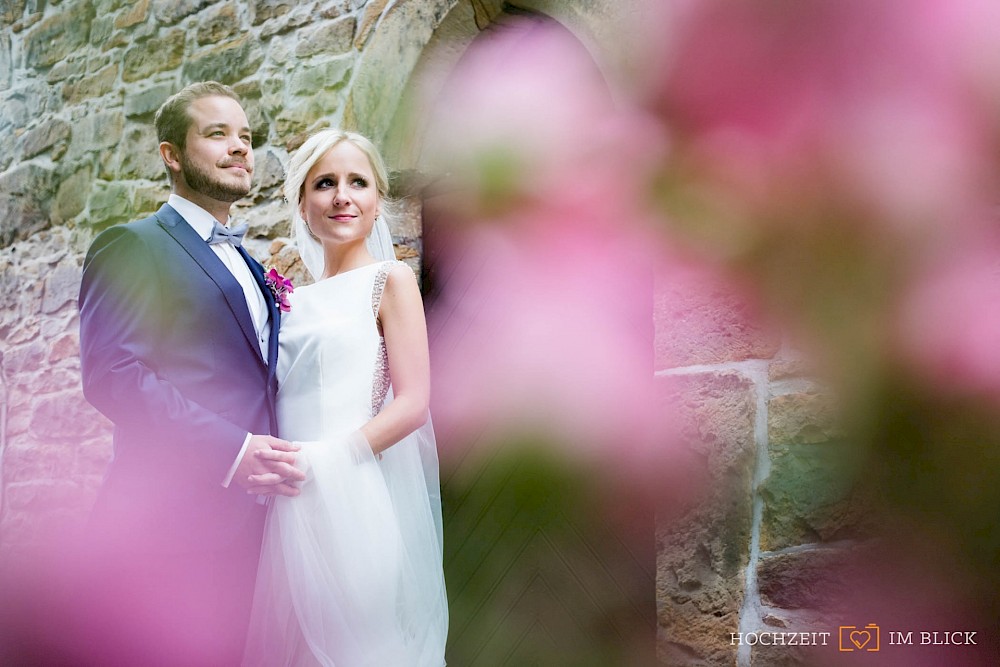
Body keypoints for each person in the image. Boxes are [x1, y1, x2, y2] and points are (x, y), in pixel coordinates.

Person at [78, 81, 306, 666]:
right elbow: (113, 375)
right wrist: (234, 452)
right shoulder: (133, 245)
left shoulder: (253, 264)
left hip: (255, 534)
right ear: (171, 155)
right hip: (169, 528)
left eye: (246, 137)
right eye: (217, 134)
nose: (239, 148)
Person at [241, 129, 449, 666]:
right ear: (302, 202)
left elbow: (413, 402)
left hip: (349, 494)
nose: (342, 196)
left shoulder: (390, 281)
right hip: (283, 503)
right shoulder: (285, 301)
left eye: (358, 182)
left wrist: (325, 461)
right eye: (325, 183)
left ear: (378, 201)